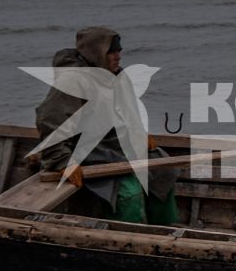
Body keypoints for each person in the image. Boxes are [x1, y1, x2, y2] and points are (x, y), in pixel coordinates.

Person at [33, 26, 180, 225]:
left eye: (119, 50)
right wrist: (62, 161)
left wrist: (139, 133)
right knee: (128, 193)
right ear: (96, 53)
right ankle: (131, 238)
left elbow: (127, 112)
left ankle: (165, 230)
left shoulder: (118, 76)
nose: (118, 56)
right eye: (111, 51)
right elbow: (50, 121)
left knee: (164, 172)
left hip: (119, 146)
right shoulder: (74, 81)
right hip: (93, 153)